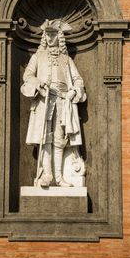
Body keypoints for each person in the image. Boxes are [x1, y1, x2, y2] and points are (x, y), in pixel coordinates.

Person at [21, 19, 86, 187]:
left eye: (53, 34)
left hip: (63, 101)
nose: (50, 38)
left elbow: (78, 80)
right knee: (44, 137)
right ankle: (47, 174)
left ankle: (59, 177)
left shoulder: (67, 60)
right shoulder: (37, 57)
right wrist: (38, 83)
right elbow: (27, 75)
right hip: (44, 100)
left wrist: (73, 91)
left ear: (59, 36)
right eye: (48, 34)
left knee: (59, 139)